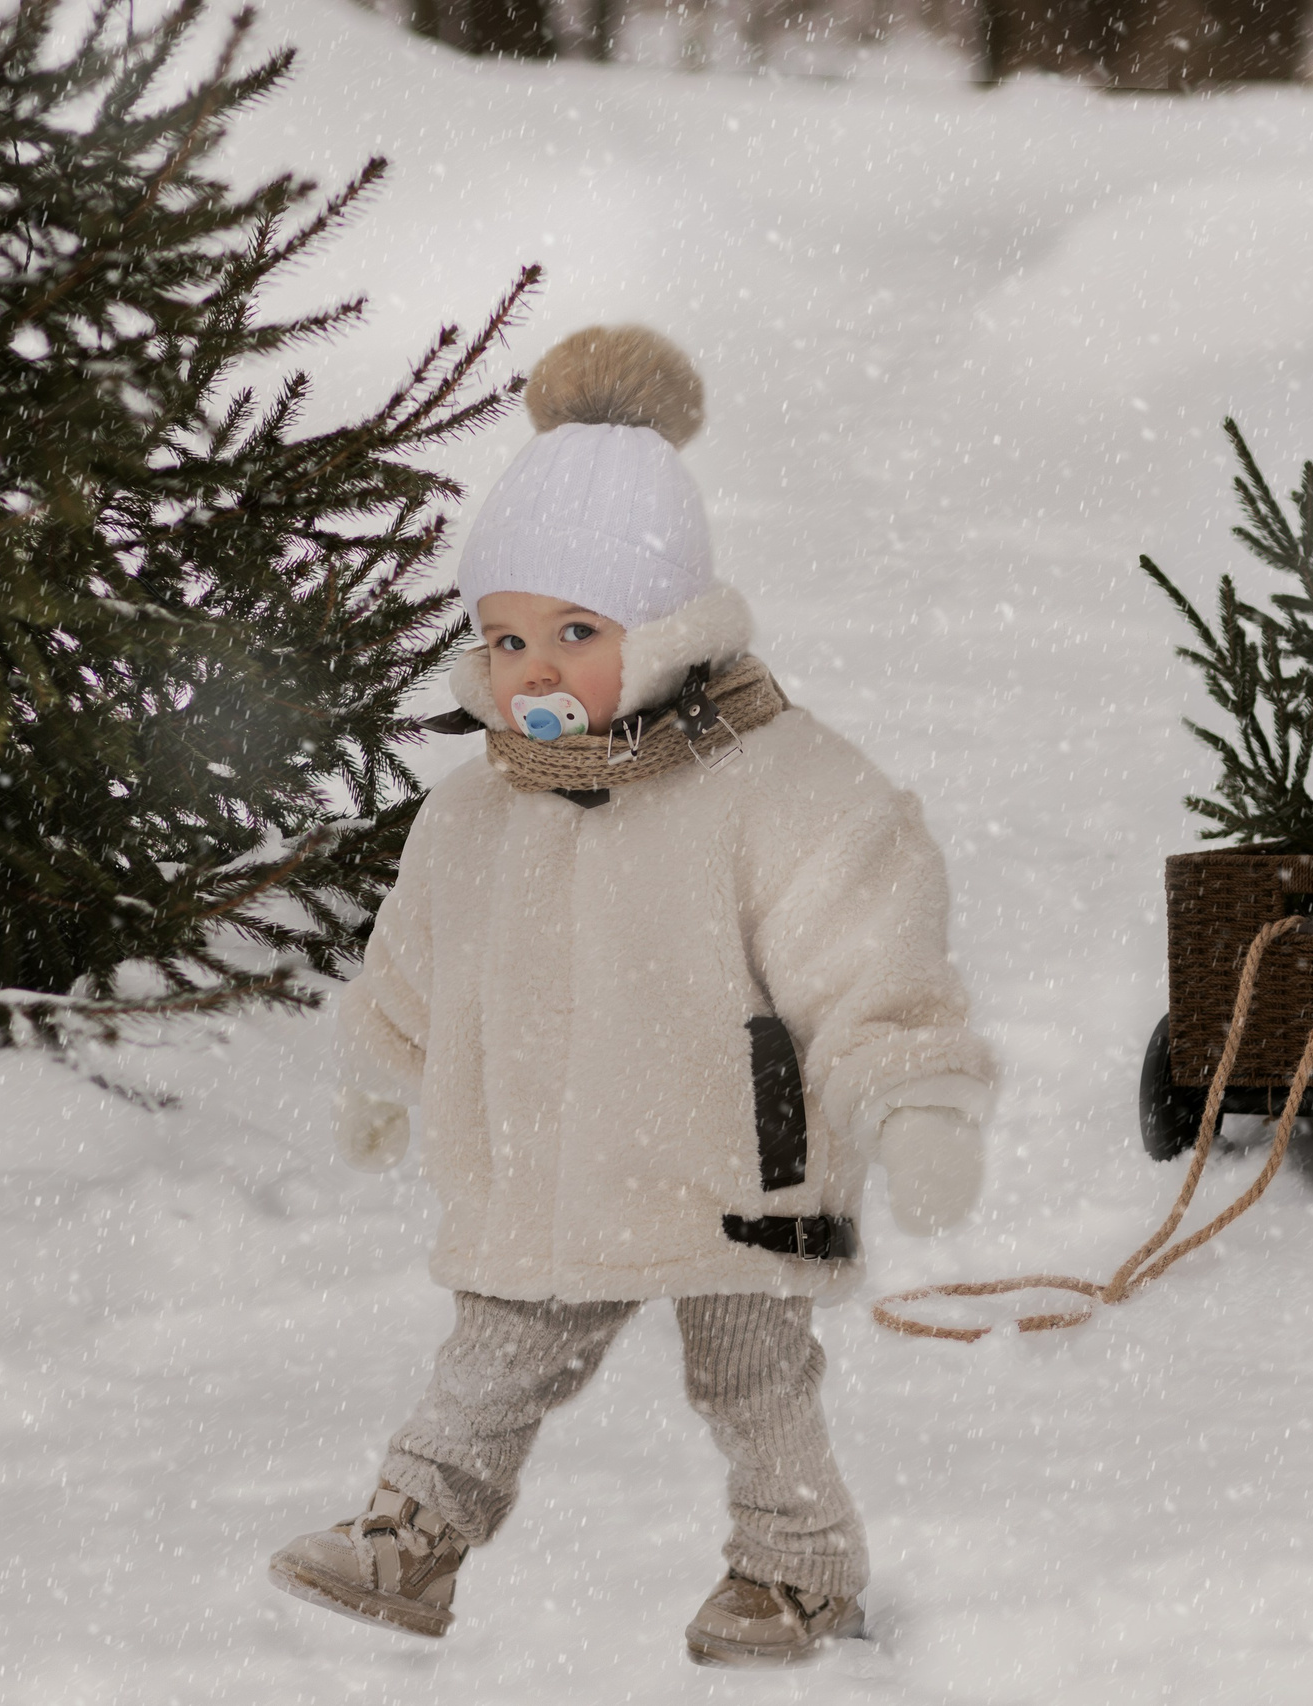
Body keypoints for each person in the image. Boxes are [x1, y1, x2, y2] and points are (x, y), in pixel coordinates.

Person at [267, 326, 994, 1668]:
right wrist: (383, 1061)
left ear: (660, 631)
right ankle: (411, 1534)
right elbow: (423, 955)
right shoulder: (478, 811)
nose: (534, 670)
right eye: (506, 637)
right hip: (551, 1174)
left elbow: (865, 937)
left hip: (738, 1165)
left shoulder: (773, 783)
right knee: (488, 1361)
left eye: (576, 633)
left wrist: (916, 1093)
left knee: (753, 1379)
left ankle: (797, 1563)